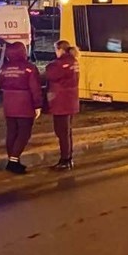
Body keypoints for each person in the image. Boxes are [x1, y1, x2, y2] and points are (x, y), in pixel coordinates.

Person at [0, 41, 43, 174]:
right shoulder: (29, 68)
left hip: (9, 103)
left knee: (12, 132)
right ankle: (13, 160)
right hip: (24, 103)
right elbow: (35, 88)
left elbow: (0, 83)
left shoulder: (4, 68)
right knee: (24, 132)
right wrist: (38, 105)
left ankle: (13, 160)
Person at [45, 40, 80, 170]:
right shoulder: (74, 61)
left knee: (62, 132)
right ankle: (68, 158)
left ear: (60, 50)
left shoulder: (61, 63)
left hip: (62, 103)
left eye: (56, 50)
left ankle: (65, 160)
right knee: (67, 132)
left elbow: (49, 73)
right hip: (70, 102)